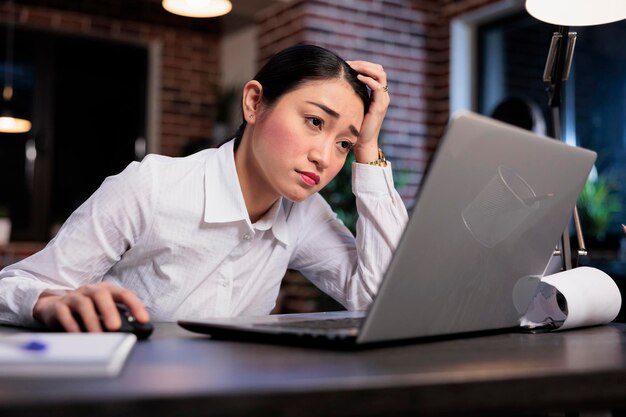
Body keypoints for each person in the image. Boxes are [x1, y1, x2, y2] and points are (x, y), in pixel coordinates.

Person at [0, 44, 408, 333]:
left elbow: (377, 300)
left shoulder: (303, 212)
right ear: (253, 103)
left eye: (343, 144)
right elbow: (12, 286)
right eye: (315, 121)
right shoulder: (152, 186)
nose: (325, 157)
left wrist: (368, 150)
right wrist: (50, 302)